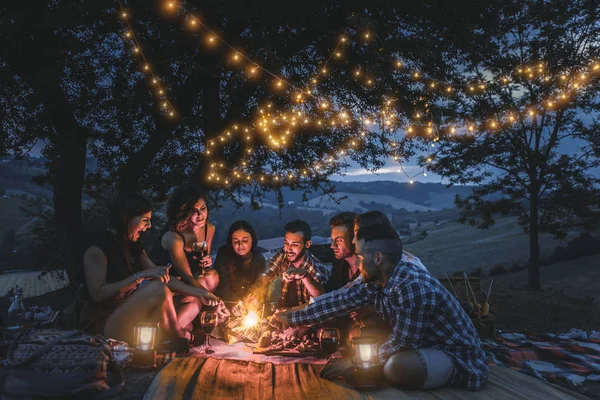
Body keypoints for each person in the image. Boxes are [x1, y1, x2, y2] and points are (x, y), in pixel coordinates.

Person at [275, 224, 488, 391]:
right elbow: (337, 302)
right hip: (423, 346)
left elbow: (403, 343)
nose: (357, 265)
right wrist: (290, 318)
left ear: (377, 258)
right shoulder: (378, 280)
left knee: (397, 367)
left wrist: (351, 363)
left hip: (454, 356)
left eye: (359, 257)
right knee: (362, 342)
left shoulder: (411, 286)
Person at [79, 193, 219, 345]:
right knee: (158, 288)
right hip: (104, 323)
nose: (149, 226)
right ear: (126, 218)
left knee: (193, 302)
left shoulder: (133, 245)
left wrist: (202, 293)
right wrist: (140, 276)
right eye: (145, 221)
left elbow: (165, 278)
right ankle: (180, 336)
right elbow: (98, 294)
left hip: (129, 313)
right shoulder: (98, 248)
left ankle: (169, 334)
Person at [152, 184, 219, 293]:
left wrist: (206, 261)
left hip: (191, 280)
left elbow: (201, 261)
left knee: (211, 276)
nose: (200, 214)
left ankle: (204, 302)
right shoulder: (174, 237)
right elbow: (187, 276)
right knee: (195, 300)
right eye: (193, 211)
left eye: (203, 208)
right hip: (168, 283)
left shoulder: (209, 229)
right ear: (184, 212)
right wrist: (210, 297)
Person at [251, 220, 329, 308]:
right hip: (286, 313)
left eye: (295, 245)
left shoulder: (315, 269)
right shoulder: (283, 255)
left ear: (307, 244)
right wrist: (255, 293)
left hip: (308, 318)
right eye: (286, 243)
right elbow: (268, 274)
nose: (288, 249)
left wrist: (288, 313)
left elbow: (320, 303)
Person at [214, 221, 266, 302]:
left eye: (245, 241)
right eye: (236, 242)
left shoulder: (258, 258)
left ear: (252, 239)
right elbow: (223, 286)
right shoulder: (224, 255)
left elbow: (261, 285)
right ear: (231, 242)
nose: (240, 245)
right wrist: (235, 302)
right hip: (227, 303)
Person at [324, 212, 360, 293]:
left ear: (354, 239)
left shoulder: (366, 268)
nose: (332, 246)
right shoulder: (339, 263)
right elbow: (328, 292)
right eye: (332, 240)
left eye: (339, 240)